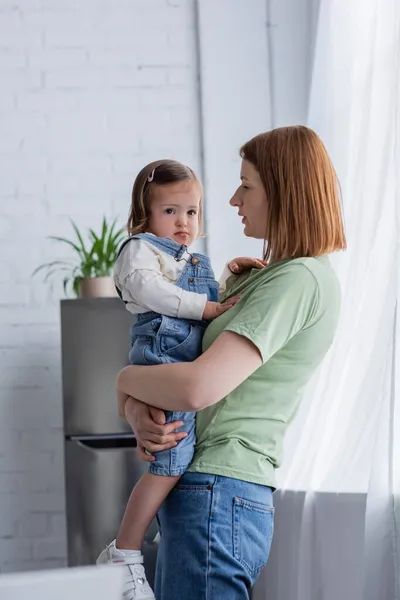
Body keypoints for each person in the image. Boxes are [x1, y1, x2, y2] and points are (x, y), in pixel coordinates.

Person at [115, 126, 347, 600]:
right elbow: (182, 371)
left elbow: (197, 388)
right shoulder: (260, 278)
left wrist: (123, 382)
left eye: (247, 184)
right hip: (205, 488)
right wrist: (136, 410)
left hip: (219, 490)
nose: (232, 199)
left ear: (283, 191)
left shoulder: (300, 279)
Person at [97, 159, 260, 600]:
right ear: (144, 215)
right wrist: (207, 308)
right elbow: (157, 293)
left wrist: (227, 279)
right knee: (169, 460)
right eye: (170, 211)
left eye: (191, 211)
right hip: (160, 354)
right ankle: (125, 551)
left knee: (169, 457)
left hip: (176, 362)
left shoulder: (190, 258)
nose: (183, 222)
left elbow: (198, 297)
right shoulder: (138, 250)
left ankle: (130, 546)